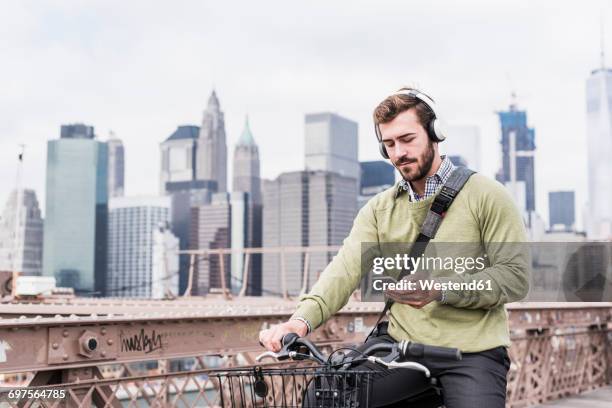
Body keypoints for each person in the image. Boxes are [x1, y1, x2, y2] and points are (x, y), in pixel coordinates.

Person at [259, 87, 530, 407]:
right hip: (401, 347)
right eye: (389, 144)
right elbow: (344, 270)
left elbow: (514, 277)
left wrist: (440, 289)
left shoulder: (488, 195)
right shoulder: (378, 209)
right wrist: (299, 321)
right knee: (327, 395)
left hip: (472, 352)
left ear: (435, 133)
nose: (398, 152)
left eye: (407, 139)